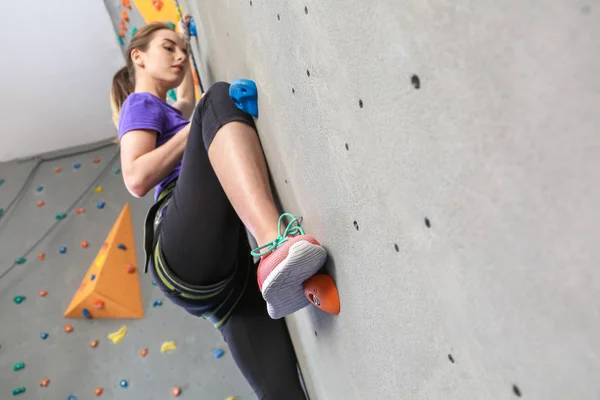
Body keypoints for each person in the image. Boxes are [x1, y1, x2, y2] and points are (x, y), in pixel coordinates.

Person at [109, 16, 327, 399]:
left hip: (221, 287)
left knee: (282, 393)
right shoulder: (139, 104)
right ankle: (274, 241)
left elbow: (187, 101)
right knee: (218, 99)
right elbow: (136, 177)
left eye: (181, 51)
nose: (178, 56)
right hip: (180, 244)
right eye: (167, 48)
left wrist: (187, 43)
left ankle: (270, 259)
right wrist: (198, 121)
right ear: (138, 57)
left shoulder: (170, 111)